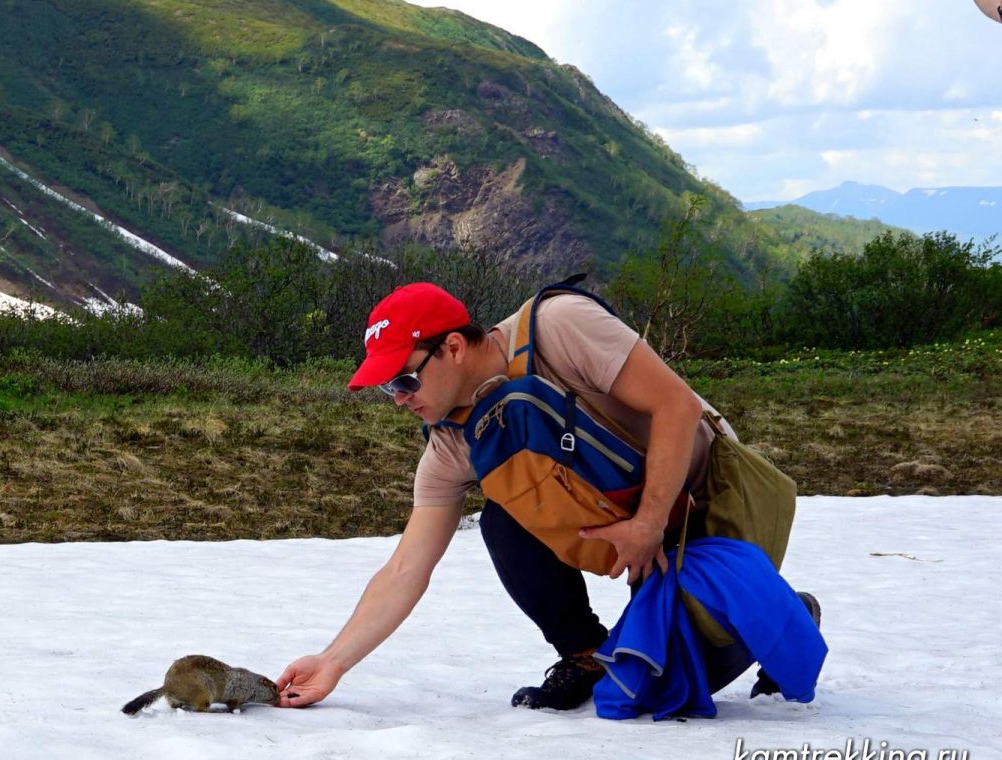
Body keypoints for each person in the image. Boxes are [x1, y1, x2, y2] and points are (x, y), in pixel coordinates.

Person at [277, 282, 815, 712]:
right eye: (387, 388)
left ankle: (787, 609)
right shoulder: (449, 448)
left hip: (704, 499)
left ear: (454, 347)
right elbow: (404, 570)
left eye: (403, 381)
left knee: (675, 681)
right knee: (503, 524)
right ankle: (583, 654)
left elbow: (677, 406)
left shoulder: (558, 328)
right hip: (626, 522)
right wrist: (332, 662)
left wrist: (649, 524)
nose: (398, 401)